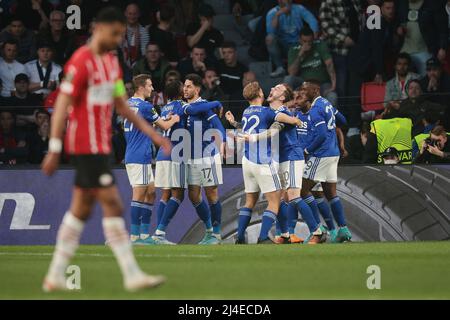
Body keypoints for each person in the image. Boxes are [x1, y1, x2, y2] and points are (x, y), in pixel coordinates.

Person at [41, 7, 171, 293]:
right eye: (115, 34)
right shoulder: (81, 61)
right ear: (99, 28)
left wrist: (154, 134)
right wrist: (54, 147)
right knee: (113, 203)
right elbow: (62, 105)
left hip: (101, 145)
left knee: (81, 208)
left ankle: (55, 275)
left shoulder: (112, 63)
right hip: (84, 146)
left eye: (121, 35)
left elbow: (122, 106)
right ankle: (131, 274)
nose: (117, 40)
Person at [225, 81, 304, 244]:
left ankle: (240, 237)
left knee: (249, 202)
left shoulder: (247, 111)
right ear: (260, 94)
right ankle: (263, 238)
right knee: (275, 202)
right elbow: (281, 118)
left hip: (247, 161)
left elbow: (245, 129)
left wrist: (233, 123)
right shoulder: (266, 112)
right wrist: (294, 120)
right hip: (263, 161)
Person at [152, 76, 225, 244]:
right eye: (184, 86)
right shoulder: (184, 107)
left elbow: (218, 126)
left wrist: (223, 142)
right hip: (190, 158)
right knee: (194, 196)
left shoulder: (203, 107)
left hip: (207, 157)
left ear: (197, 89)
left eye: (189, 86)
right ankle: (209, 232)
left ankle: (217, 233)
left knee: (211, 194)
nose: (185, 89)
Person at [124, 74, 180, 245]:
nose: (152, 88)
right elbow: (163, 126)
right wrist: (175, 119)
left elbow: (149, 122)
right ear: (141, 87)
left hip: (137, 154)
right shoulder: (146, 106)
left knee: (151, 192)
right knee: (139, 194)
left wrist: (164, 119)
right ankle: (134, 237)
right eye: (149, 85)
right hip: (138, 155)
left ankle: (143, 235)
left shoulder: (128, 104)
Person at [300, 80, 352, 243]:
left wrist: (307, 150)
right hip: (333, 153)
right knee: (331, 194)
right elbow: (343, 120)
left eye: (305, 89)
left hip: (321, 155)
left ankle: (318, 228)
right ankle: (343, 229)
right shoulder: (327, 104)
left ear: (315, 90)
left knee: (299, 190)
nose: (303, 91)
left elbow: (321, 135)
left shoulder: (316, 109)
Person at [347, 0, 397, 136]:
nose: (391, 11)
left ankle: (370, 125)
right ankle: (353, 127)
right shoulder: (376, 20)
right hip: (359, 64)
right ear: (381, 9)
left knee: (369, 96)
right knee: (356, 95)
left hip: (369, 65)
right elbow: (376, 48)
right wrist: (379, 72)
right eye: (387, 8)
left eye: (392, 8)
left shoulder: (386, 23)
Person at [319, 0, 363, 100]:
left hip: (356, 49)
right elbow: (326, 25)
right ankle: (341, 113)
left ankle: (353, 113)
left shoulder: (355, 1)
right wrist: (343, 39)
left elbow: (360, 20)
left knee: (354, 85)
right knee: (341, 85)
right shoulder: (328, 2)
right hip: (338, 50)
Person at [284, 27, 337, 107]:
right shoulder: (294, 49)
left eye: (310, 41)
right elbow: (291, 72)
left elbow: (329, 64)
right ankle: (286, 109)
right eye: (305, 41)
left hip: (321, 84)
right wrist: (301, 54)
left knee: (332, 96)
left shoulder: (320, 45)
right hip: (303, 83)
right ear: (300, 40)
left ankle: (330, 119)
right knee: (288, 78)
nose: (307, 44)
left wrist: (333, 85)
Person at [265, 0, 319, 77]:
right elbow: (270, 31)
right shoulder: (272, 13)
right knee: (269, 38)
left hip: (298, 43)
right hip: (283, 45)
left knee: (310, 37)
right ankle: (280, 68)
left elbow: (313, 21)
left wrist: (314, 36)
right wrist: (277, 15)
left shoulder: (299, 8)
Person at [396, 0, 448, 76]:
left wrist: (442, 47)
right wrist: (398, 29)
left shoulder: (433, 4)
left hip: (425, 50)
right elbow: (395, 22)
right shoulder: (402, 4)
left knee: (426, 79)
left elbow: (443, 29)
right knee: (401, 80)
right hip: (405, 49)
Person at [121, 3, 149, 68]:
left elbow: (144, 54)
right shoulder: (119, 29)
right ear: (125, 13)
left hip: (137, 66)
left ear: (139, 14)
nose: (132, 17)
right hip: (120, 65)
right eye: (130, 14)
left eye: (134, 14)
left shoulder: (143, 32)